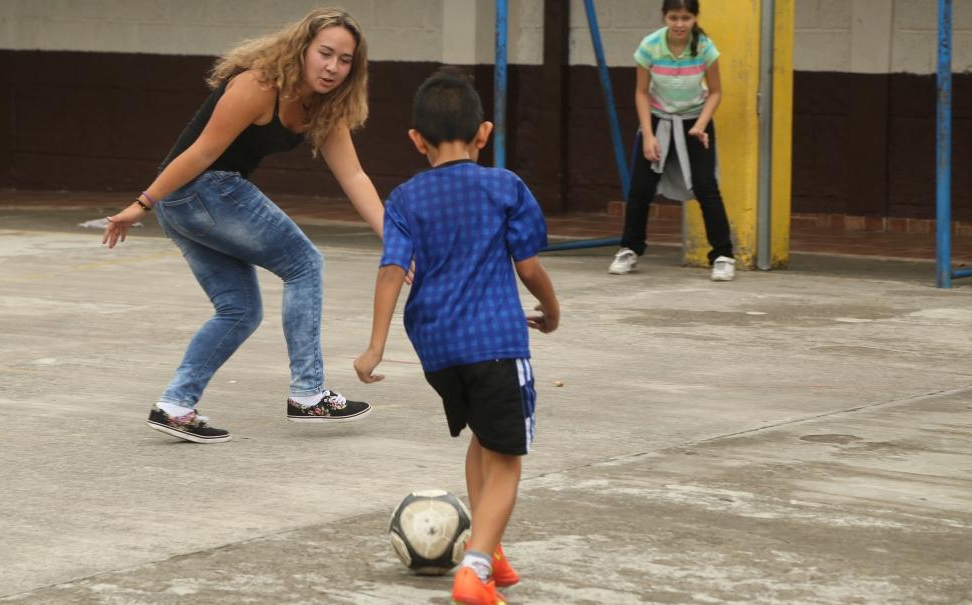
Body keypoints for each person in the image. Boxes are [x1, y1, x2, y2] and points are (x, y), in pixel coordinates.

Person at [102, 8, 384, 444]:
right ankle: (308, 393)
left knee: (240, 310)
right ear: (302, 48)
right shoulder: (258, 85)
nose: (333, 67)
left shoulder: (323, 106)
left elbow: (354, 176)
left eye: (345, 60)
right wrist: (142, 203)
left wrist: (395, 240)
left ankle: (176, 405)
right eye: (325, 53)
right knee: (305, 264)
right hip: (201, 190)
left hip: (185, 203)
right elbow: (200, 154)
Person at [354, 70, 560, 605]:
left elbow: (392, 268)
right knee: (509, 458)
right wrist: (553, 310)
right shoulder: (505, 186)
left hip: (437, 351)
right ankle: (473, 570)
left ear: (416, 140)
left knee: (484, 438)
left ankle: (488, 549)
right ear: (484, 133)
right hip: (495, 341)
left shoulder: (403, 197)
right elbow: (530, 267)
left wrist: (376, 345)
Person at [608, 0, 736, 281]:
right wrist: (648, 135)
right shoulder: (650, 46)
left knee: (706, 186)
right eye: (674, 17)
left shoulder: (705, 47)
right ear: (664, 17)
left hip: (696, 121)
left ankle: (723, 255)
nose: (680, 24)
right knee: (640, 189)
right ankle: (630, 248)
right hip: (656, 119)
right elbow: (641, 92)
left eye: (686, 18)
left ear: (695, 18)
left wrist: (701, 125)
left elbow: (715, 92)